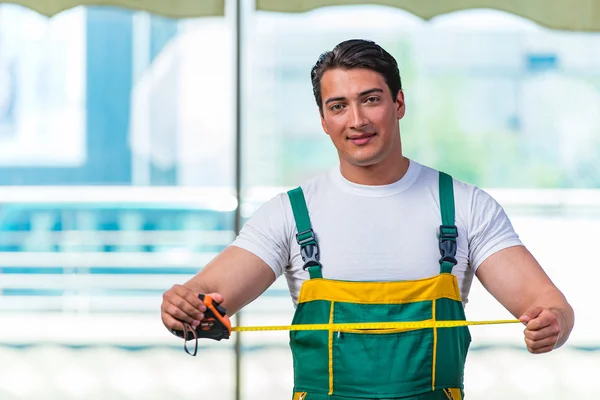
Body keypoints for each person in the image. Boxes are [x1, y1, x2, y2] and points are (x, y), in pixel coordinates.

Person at [161, 39, 574, 399]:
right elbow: (203, 301)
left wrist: (551, 326)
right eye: (338, 106)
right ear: (323, 120)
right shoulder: (289, 213)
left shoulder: (466, 207)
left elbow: (551, 307)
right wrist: (181, 308)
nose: (356, 120)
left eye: (371, 99)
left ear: (399, 103)